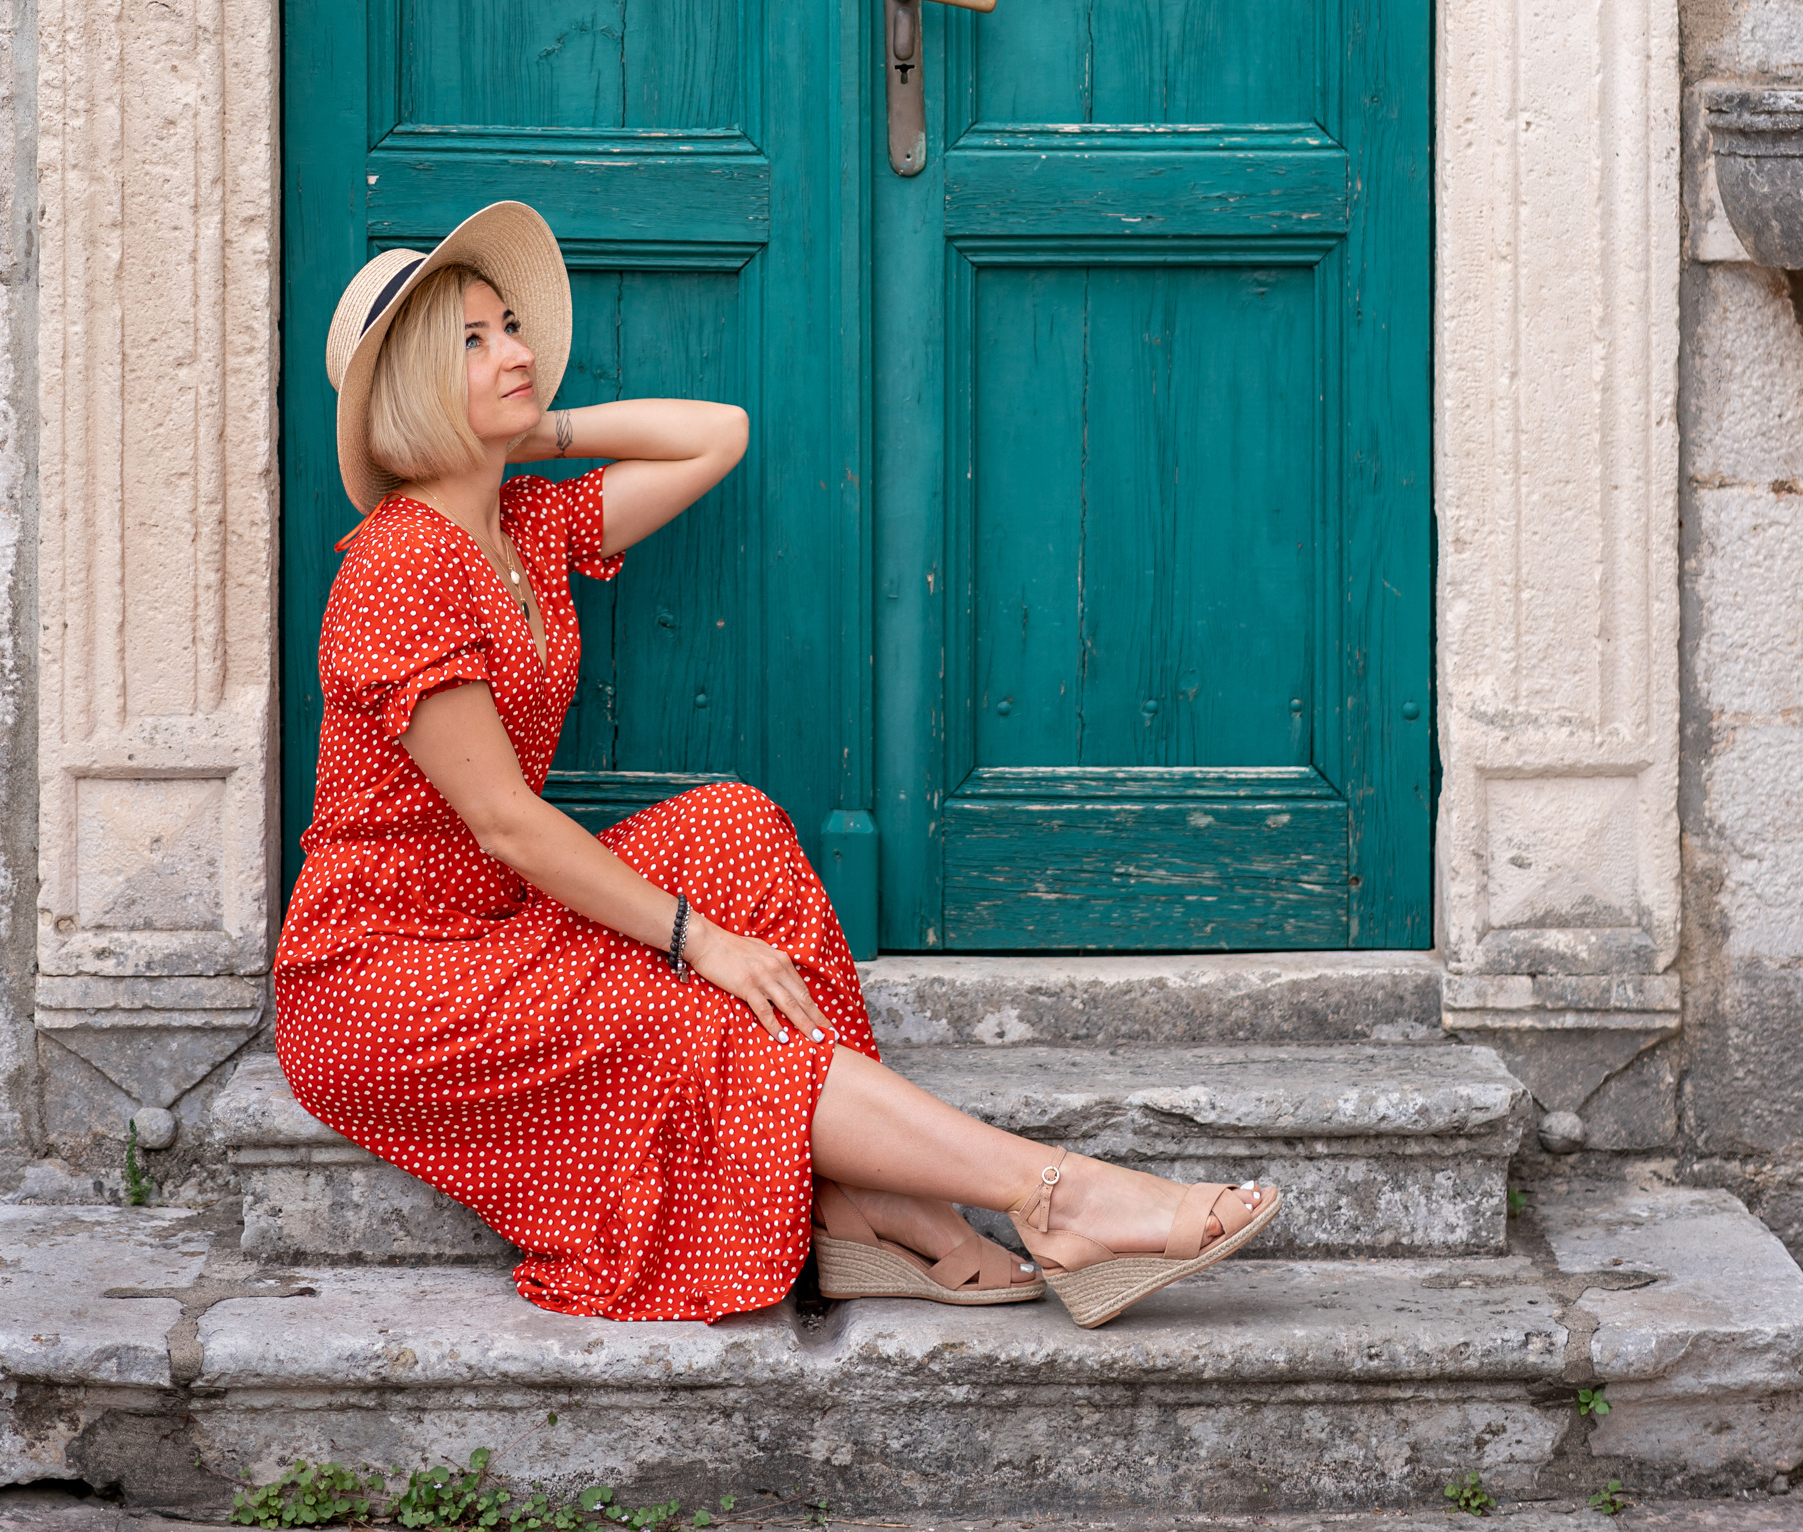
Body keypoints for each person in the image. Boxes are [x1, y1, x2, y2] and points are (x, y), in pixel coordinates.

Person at [274, 202, 1278, 1328]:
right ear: (410, 385)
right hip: (386, 978)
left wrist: (528, 429)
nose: (514, 352)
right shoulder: (401, 564)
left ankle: (855, 1199)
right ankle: (1054, 1193)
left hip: (498, 920)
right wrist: (695, 940)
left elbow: (717, 433)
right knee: (699, 1009)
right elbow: (506, 822)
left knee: (735, 828)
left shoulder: (523, 524)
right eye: (470, 341)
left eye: (508, 325)